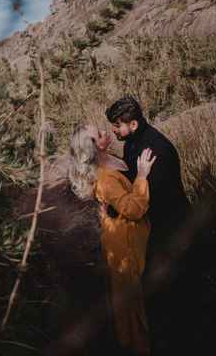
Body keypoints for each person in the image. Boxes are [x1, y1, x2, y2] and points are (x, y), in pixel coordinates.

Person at [105, 95, 192, 353]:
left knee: (170, 286)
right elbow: (134, 178)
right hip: (155, 222)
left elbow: (151, 197)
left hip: (171, 225)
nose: (113, 130)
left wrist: (119, 206)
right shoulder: (132, 142)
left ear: (133, 124)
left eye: (117, 125)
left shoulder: (155, 150)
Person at [68, 124, 156, 355]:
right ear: (94, 148)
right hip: (124, 244)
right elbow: (133, 209)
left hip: (129, 233)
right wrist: (142, 176)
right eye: (100, 135)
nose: (107, 132)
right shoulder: (105, 179)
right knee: (134, 307)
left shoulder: (109, 159)